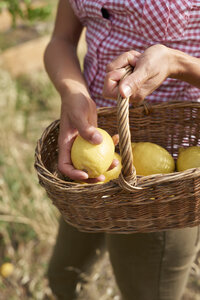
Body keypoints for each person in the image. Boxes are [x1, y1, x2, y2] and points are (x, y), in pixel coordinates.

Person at [44, 1, 200, 299]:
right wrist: (73, 92)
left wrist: (177, 63)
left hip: (163, 184)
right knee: (64, 277)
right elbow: (61, 40)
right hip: (94, 154)